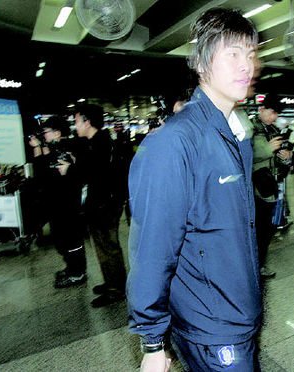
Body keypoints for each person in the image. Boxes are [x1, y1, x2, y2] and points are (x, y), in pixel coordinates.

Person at [127, 8, 261, 372]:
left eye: (250, 54)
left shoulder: (234, 136)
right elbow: (152, 247)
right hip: (212, 325)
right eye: (232, 53)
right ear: (202, 61)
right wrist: (152, 342)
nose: (246, 65)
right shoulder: (174, 143)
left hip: (238, 312)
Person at [61, 104, 128, 307]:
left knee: (108, 247)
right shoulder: (93, 142)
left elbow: (94, 174)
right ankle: (111, 282)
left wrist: (70, 169)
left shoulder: (101, 143)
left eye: (77, 121)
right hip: (99, 204)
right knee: (102, 247)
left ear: (87, 122)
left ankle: (116, 288)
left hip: (105, 205)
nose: (75, 126)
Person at [29, 116, 86, 288]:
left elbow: (49, 176)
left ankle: (78, 273)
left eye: (46, 132)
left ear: (57, 133)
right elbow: (42, 174)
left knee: (71, 239)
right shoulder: (56, 148)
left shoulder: (66, 149)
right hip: (56, 203)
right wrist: (40, 149)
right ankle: (72, 268)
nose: (43, 135)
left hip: (66, 204)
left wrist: (41, 150)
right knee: (62, 240)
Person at [251, 94, 291, 278]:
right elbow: (244, 156)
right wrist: (269, 148)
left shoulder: (273, 130)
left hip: (268, 187)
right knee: (254, 230)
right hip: (252, 189)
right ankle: (251, 267)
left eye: (276, 114)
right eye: (271, 112)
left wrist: (286, 157)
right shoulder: (249, 129)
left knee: (266, 229)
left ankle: (260, 265)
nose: (274, 117)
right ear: (261, 109)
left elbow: (280, 161)